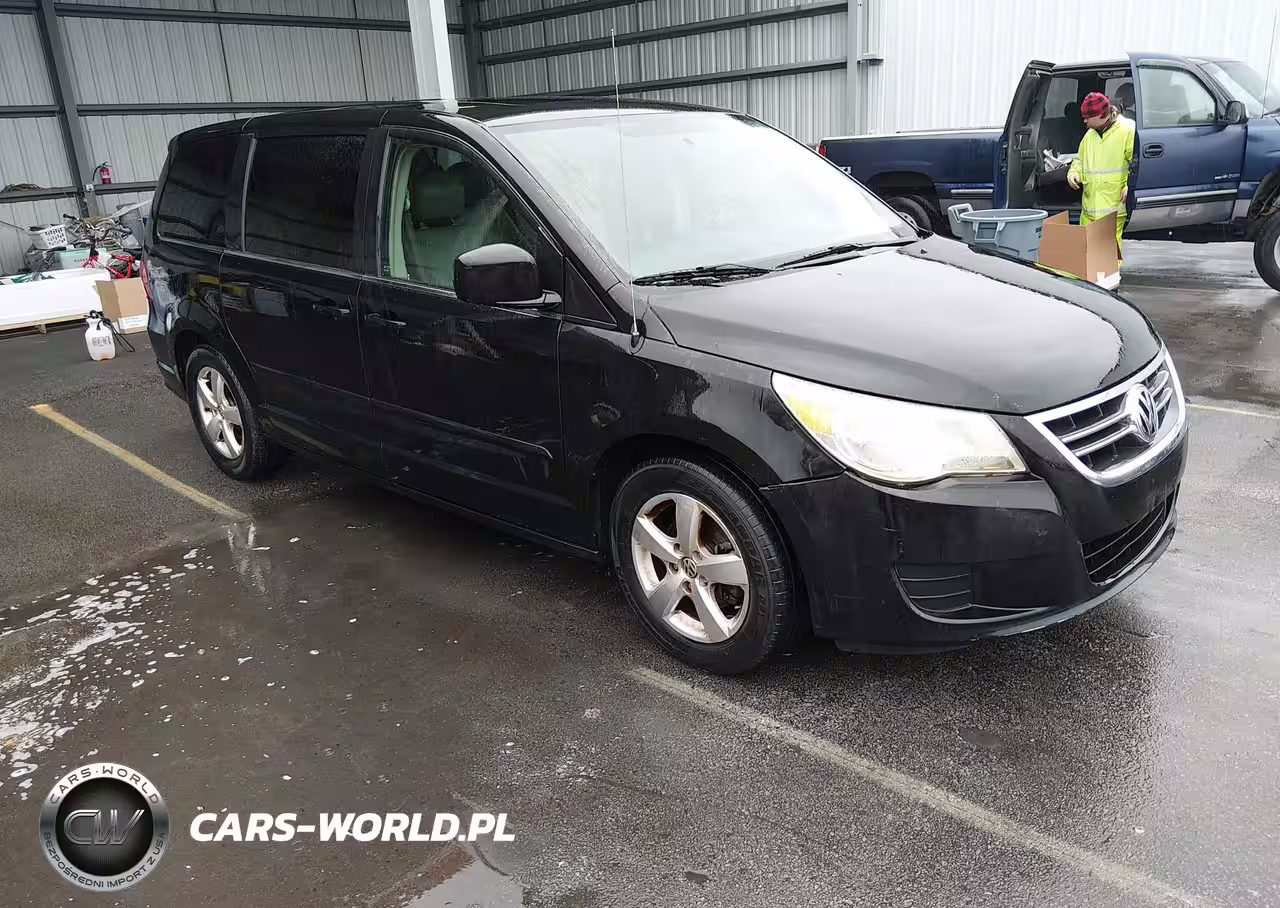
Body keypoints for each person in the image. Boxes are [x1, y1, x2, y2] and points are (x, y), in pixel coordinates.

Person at [1067, 91, 1136, 263]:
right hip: (1089, 209)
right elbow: (1079, 159)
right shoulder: (1090, 135)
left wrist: (1130, 185)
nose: (1084, 121)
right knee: (1087, 258)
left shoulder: (1127, 130)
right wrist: (1073, 173)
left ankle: (1110, 285)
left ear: (1100, 115)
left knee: (1109, 257)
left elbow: (1136, 164)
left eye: (1087, 117)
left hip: (1111, 208)